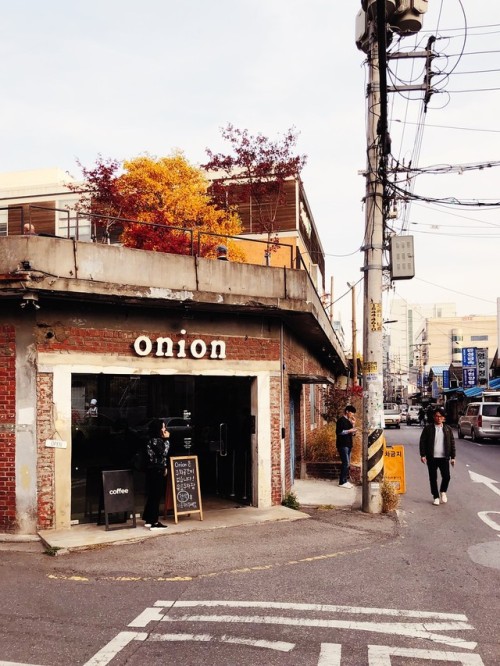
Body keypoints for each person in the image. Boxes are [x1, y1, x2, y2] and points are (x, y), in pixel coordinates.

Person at [419, 406, 456, 505]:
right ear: (433, 417)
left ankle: (443, 491)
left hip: (444, 458)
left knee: (447, 476)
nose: (438, 418)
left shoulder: (448, 429)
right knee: (433, 477)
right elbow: (422, 442)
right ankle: (435, 496)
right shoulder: (428, 428)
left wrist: (453, 457)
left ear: (443, 418)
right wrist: (423, 455)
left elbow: (452, 443)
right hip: (432, 457)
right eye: (436, 416)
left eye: (440, 416)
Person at [142, 418, 170, 529]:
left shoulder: (150, 439)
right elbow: (163, 453)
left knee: (152, 495)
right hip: (156, 470)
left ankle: (148, 519)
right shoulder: (156, 440)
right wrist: (167, 440)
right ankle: (154, 522)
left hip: (152, 469)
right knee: (156, 496)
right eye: (163, 427)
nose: (164, 429)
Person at [335, 405, 357, 488]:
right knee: (345, 463)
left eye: (353, 414)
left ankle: (345, 481)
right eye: (352, 413)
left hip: (349, 444)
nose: (352, 415)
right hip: (342, 444)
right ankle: (341, 482)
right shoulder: (341, 420)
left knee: (347, 464)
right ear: (347, 411)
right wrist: (349, 431)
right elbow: (338, 432)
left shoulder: (349, 421)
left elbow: (353, 434)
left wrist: (353, 425)